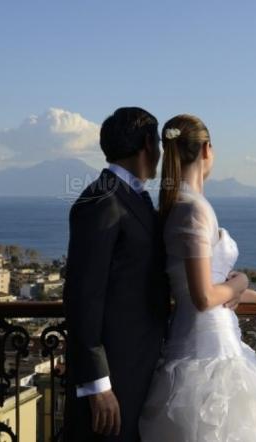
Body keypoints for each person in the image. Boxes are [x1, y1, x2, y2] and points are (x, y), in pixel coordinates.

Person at [139, 114, 256, 441]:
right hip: (209, 351)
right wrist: (242, 282)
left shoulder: (177, 205)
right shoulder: (194, 209)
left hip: (196, 340)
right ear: (207, 149)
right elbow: (205, 296)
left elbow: (204, 281)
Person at [63, 107, 170, 441]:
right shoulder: (101, 201)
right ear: (147, 145)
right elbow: (83, 297)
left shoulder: (132, 197)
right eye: (158, 144)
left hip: (139, 368)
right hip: (114, 378)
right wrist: (98, 385)